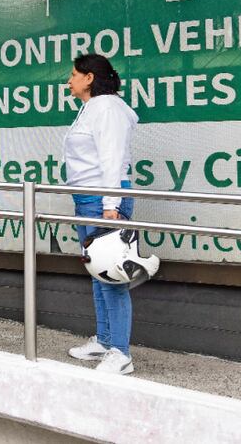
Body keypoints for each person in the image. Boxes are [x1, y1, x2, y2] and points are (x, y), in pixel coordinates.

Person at [63, 53, 140, 375]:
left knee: (112, 277)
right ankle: (106, 340)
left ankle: (121, 354)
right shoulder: (92, 107)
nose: (69, 80)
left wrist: (111, 205)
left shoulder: (107, 108)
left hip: (102, 201)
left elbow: (111, 157)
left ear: (89, 78)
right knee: (98, 273)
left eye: (73, 75)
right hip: (88, 199)